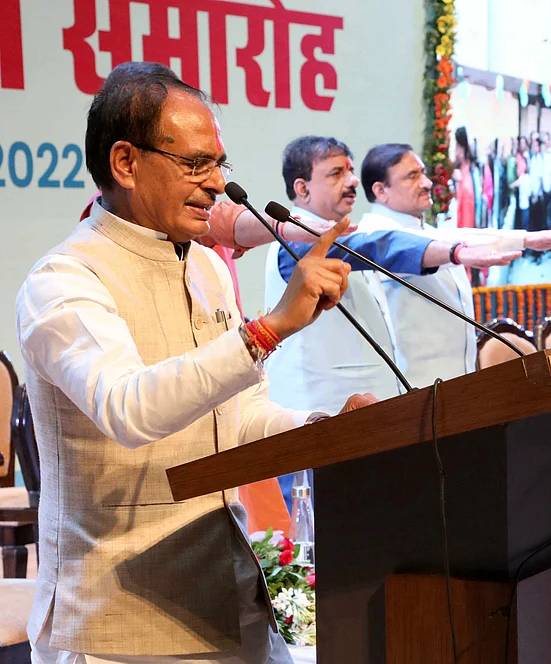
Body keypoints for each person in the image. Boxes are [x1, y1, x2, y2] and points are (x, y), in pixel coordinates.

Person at [16, 61, 376, 662]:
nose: (214, 184)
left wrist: (323, 431)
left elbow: (238, 420)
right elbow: (128, 409)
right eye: (194, 164)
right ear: (126, 163)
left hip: (229, 600)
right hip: (117, 621)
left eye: (218, 164)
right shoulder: (64, 279)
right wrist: (269, 328)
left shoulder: (206, 267)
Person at [264, 136, 518, 416]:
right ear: (302, 188)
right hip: (318, 404)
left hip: (366, 405)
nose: (352, 181)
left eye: (350, 170)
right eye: (337, 173)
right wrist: (454, 253)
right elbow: (375, 247)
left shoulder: (341, 233)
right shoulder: (295, 241)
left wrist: (523, 240)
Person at [357, 143, 551, 387]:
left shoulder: (428, 232)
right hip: (409, 388)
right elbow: (428, 244)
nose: (427, 183)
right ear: (380, 190)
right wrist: (523, 239)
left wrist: (525, 239)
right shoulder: (373, 236)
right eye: (412, 176)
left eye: (423, 173)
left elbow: (453, 238)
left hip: (454, 382)